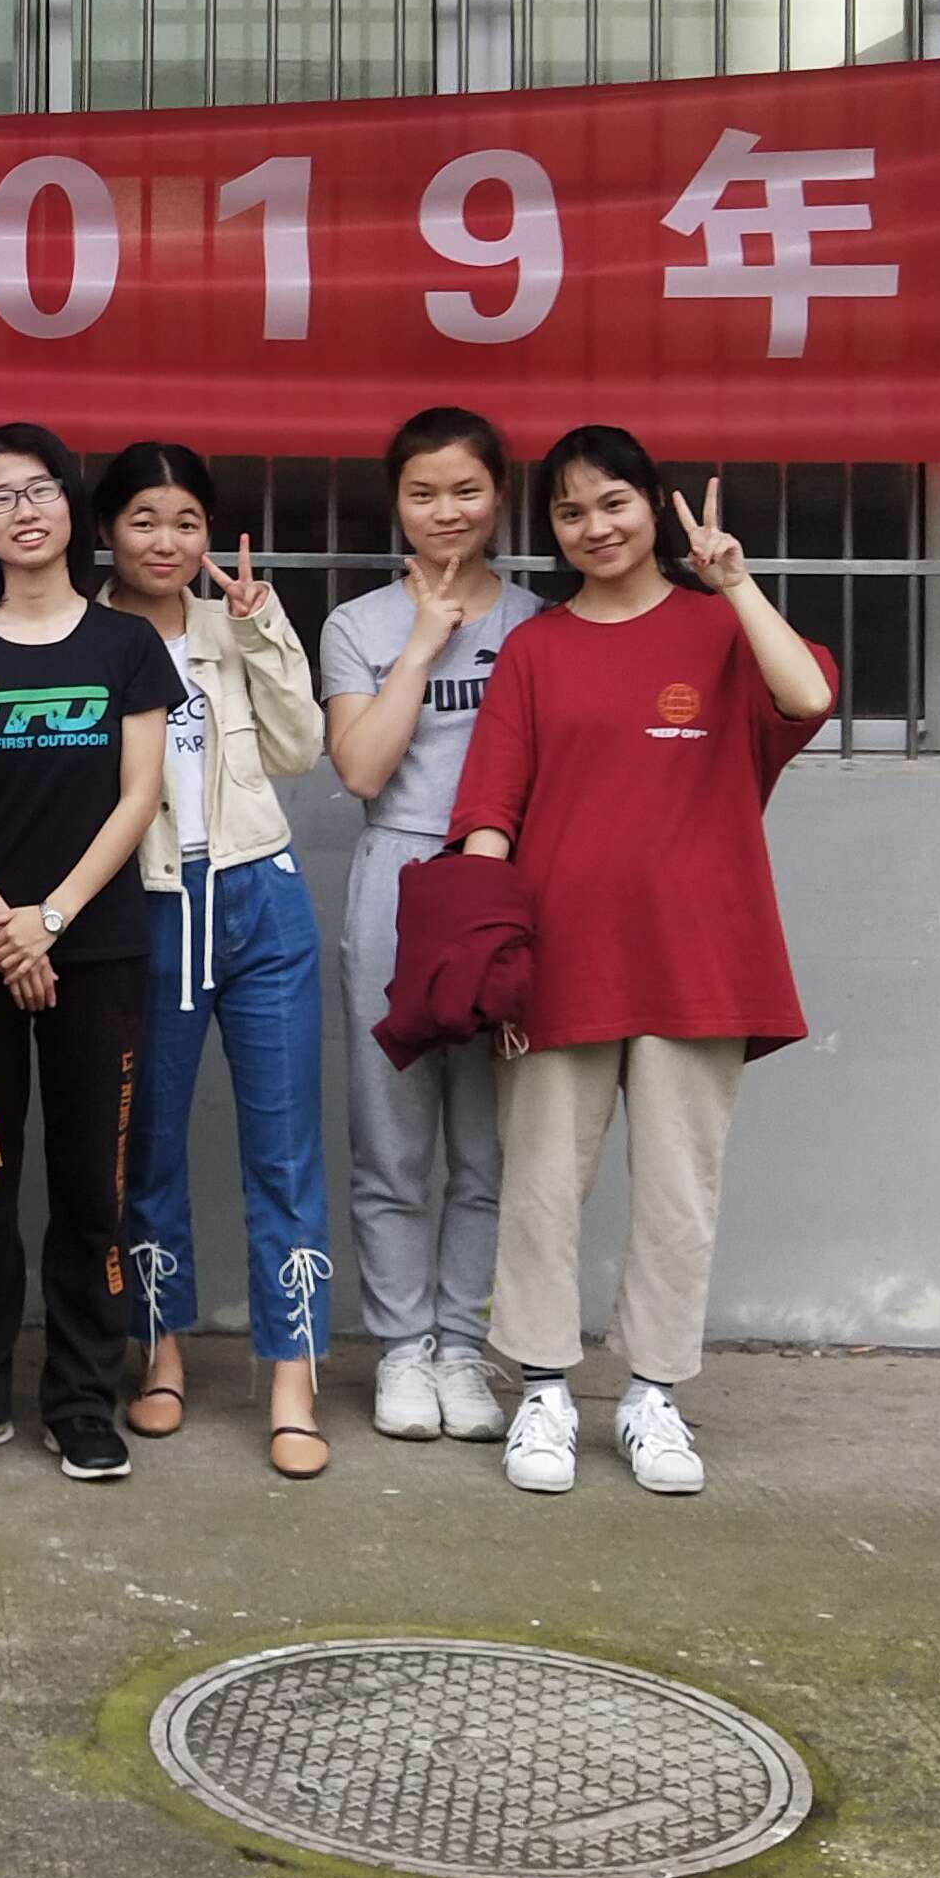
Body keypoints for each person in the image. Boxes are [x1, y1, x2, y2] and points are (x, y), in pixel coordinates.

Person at [450, 426, 837, 1499]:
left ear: (654, 505)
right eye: (570, 512)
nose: (595, 528)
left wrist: (736, 583)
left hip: (700, 956)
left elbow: (807, 698)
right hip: (558, 960)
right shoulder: (536, 648)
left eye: (613, 502)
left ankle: (653, 1395)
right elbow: (489, 810)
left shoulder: (721, 629)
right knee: (540, 1185)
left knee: (678, 1192)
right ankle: (541, 1389)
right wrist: (488, 953)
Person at [0, 425, 172, 1484]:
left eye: (41, 489)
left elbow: (140, 797)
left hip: (96, 949)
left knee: (92, 1190)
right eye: (0, 497)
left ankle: (79, 1400)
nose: (25, 511)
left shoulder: (126, 646)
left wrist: (49, 920)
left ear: (71, 506)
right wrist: (1, 924)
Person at [96, 442, 337, 1481]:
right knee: (148, 1140)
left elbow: (299, 750)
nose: (166, 540)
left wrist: (261, 629)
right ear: (107, 529)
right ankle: (160, 1351)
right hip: (149, 904)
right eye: (144, 519)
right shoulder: (87, 635)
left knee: (284, 1148)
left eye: (186, 521)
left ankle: (291, 1376)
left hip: (259, 896)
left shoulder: (229, 626)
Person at [318, 408, 540, 1452]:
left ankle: (463, 1346)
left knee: (490, 1146)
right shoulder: (358, 625)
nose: (445, 512)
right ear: (396, 504)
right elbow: (362, 768)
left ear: (499, 496)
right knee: (393, 1139)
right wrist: (423, 644)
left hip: (506, 885)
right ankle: (403, 1348)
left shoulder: (542, 622)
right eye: (422, 493)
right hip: (399, 878)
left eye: (465, 490)